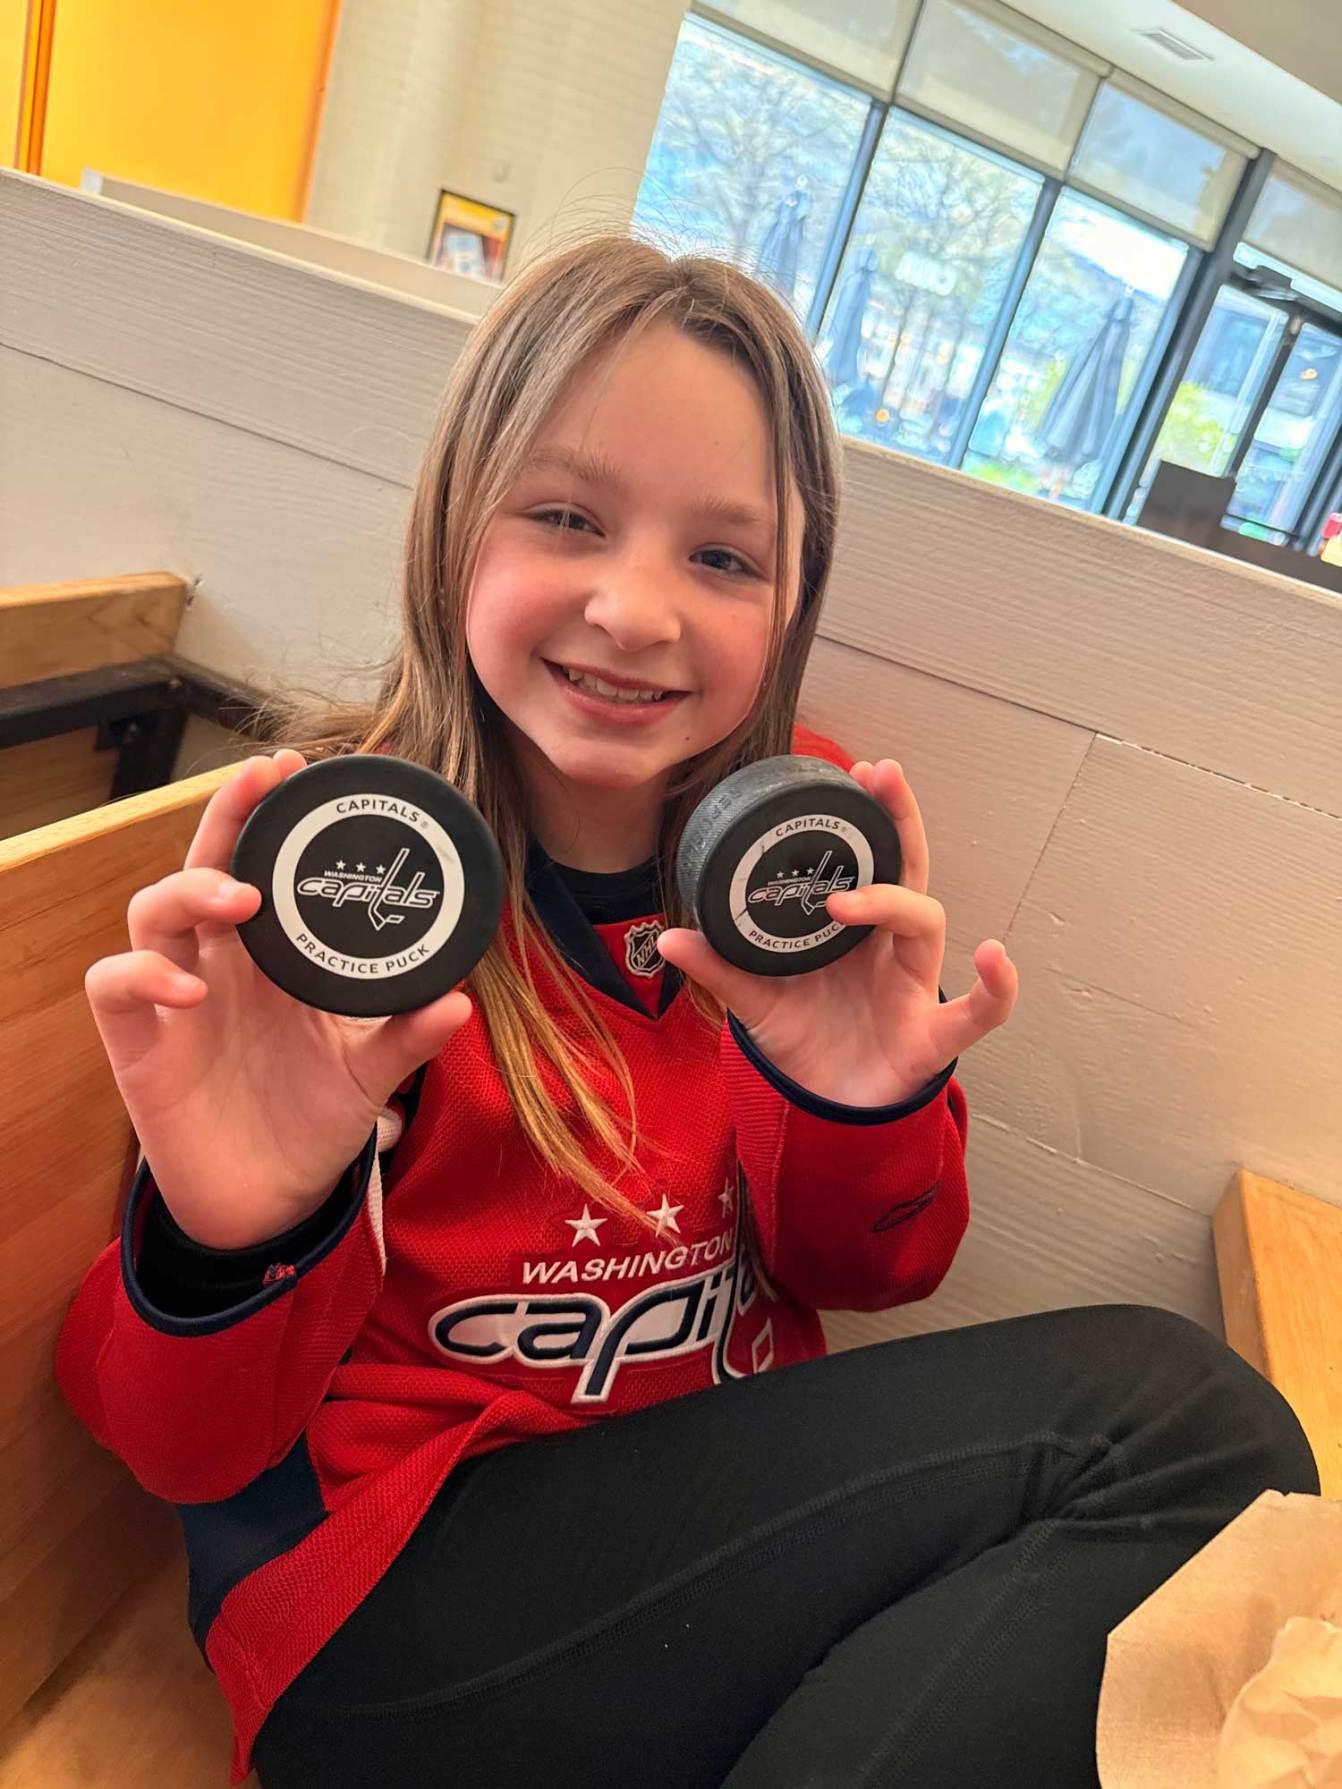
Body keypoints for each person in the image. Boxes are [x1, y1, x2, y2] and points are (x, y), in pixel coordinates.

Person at [57, 233, 1318, 1789]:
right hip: (387, 1624)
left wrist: (860, 1107)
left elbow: (878, 1271)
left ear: (789, 605)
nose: (639, 609)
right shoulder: (346, 880)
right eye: (568, 517)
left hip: (688, 1578)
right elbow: (173, 1446)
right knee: (1179, 1427)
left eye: (722, 558)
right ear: (457, 532)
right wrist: (228, 1229)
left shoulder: (796, 861)